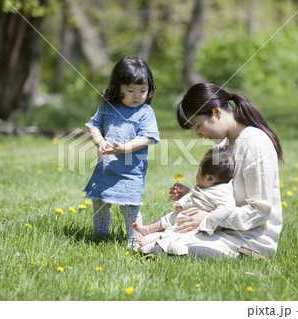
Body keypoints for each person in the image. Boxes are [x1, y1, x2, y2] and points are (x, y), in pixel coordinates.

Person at [148, 82, 284, 258]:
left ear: (217, 112)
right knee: (152, 241)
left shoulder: (255, 143)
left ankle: (241, 256)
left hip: (251, 239)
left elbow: (259, 211)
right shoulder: (225, 146)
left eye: (198, 126)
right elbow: (224, 194)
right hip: (223, 229)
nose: (199, 135)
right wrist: (194, 196)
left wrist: (208, 218)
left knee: (164, 249)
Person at [83, 56, 160, 247]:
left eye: (143, 91)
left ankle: (134, 240)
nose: (137, 96)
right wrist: (100, 141)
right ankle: (100, 236)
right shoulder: (107, 107)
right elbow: (94, 126)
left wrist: (124, 148)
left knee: (130, 206)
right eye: (131, 91)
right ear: (118, 88)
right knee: (100, 203)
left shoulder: (145, 112)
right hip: (106, 168)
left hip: (131, 171)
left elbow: (147, 137)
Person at [133, 147, 236, 253]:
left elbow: (228, 207)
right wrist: (185, 196)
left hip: (194, 224)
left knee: (177, 232)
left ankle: (154, 243)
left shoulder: (222, 191)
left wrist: (209, 219)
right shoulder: (209, 184)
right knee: (169, 217)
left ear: (210, 178)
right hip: (187, 213)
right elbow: (199, 196)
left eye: (199, 170)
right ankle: (149, 229)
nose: (197, 173)